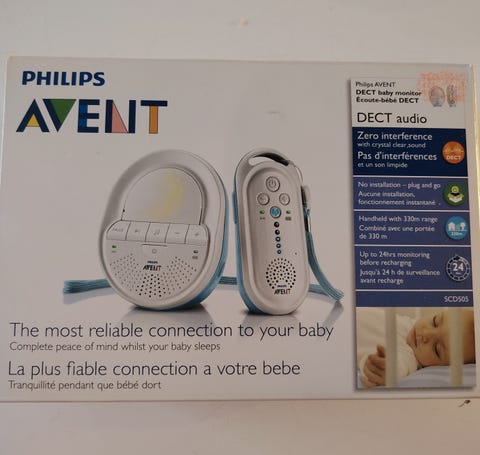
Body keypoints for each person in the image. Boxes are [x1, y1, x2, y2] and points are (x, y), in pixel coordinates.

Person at [357, 307, 475, 388]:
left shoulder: (410, 357)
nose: (425, 334)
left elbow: (398, 365)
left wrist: (383, 369)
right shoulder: (409, 323)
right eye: (435, 322)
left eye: (436, 348)